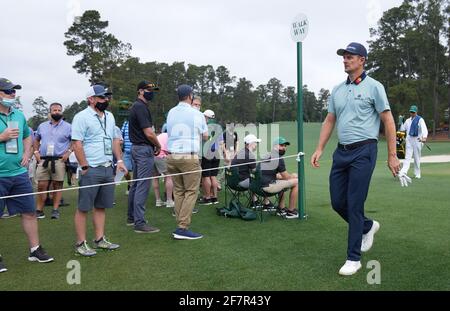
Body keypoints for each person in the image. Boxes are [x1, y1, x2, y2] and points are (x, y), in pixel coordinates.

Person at [310, 42, 400, 276]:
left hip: (365, 151)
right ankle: (368, 226)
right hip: (341, 152)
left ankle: (354, 258)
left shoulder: (375, 87)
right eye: (344, 56)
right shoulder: (337, 90)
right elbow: (330, 120)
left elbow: (388, 121)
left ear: (362, 60)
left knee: (354, 202)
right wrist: (319, 148)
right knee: (338, 202)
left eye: (350, 56)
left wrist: (392, 155)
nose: (345, 60)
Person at [0, 77, 54, 271]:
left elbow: (26, 137)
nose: (12, 94)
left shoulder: (19, 115)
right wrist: (2, 137)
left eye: (14, 91)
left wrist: (27, 153)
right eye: (8, 91)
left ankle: (35, 249)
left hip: (19, 173)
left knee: (30, 212)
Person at [71, 85, 127, 257]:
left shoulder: (109, 116)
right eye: (102, 97)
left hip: (108, 167)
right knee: (83, 207)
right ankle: (80, 243)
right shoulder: (81, 117)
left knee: (101, 206)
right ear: (91, 99)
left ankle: (99, 239)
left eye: (107, 97)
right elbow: (77, 143)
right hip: (91, 169)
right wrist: (85, 166)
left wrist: (119, 160)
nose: (106, 100)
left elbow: (115, 140)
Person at [167, 84, 208, 240]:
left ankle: (180, 224)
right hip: (188, 157)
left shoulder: (171, 112)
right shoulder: (196, 113)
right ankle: (182, 228)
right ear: (190, 96)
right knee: (191, 191)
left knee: (179, 191)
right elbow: (204, 135)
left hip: (172, 157)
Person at [127, 81, 161, 233]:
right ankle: (139, 222)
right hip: (143, 149)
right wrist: (158, 145)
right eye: (149, 89)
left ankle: (132, 217)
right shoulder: (140, 107)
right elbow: (148, 132)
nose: (151, 92)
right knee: (142, 185)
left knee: (136, 184)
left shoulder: (137, 106)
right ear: (140, 91)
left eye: (153, 90)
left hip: (136, 149)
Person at [34, 102, 72, 220]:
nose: (56, 112)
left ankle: (55, 210)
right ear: (50, 112)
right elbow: (36, 139)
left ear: (62, 112)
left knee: (57, 185)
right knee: (41, 185)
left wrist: (69, 152)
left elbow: (75, 141)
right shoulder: (42, 126)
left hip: (59, 160)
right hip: (44, 160)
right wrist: (36, 152)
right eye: (54, 110)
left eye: (59, 110)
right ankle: (39, 210)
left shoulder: (68, 126)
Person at [260, 137, 299, 219]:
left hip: (258, 187)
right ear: (274, 146)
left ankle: (281, 208)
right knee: (297, 182)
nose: (284, 148)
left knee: (280, 181)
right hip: (267, 187)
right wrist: (294, 175)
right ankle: (291, 212)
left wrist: (282, 177)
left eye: (285, 146)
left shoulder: (267, 155)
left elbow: (268, 173)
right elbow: (287, 177)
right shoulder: (278, 158)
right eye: (281, 145)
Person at [199, 109, 222, 205]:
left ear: (206, 117)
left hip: (207, 152)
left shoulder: (204, 126)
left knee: (206, 176)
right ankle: (214, 197)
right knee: (213, 176)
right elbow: (221, 143)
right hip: (216, 153)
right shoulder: (218, 127)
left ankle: (207, 198)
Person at [399, 105, 428, 179]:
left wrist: (424, 138)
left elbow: (424, 129)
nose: (412, 113)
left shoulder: (420, 119)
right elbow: (402, 129)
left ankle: (417, 173)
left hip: (417, 140)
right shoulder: (407, 120)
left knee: (416, 157)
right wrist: (401, 121)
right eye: (411, 112)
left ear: (416, 112)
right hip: (409, 140)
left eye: (413, 112)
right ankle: (403, 172)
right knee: (407, 157)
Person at [152, 130, 174, 208]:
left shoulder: (159, 136)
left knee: (155, 178)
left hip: (153, 156)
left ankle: (158, 201)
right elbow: (169, 150)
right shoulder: (170, 136)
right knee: (169, 176)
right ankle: (169, 200)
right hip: (161, 156)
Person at [121, 120, 133, 195]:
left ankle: (133, 188)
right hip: (127, 152)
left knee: (136, 172)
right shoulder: (125, 124)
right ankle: (130, 184)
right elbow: (120, 137)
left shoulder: (139, 122)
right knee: (125, 172)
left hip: (136, 152)